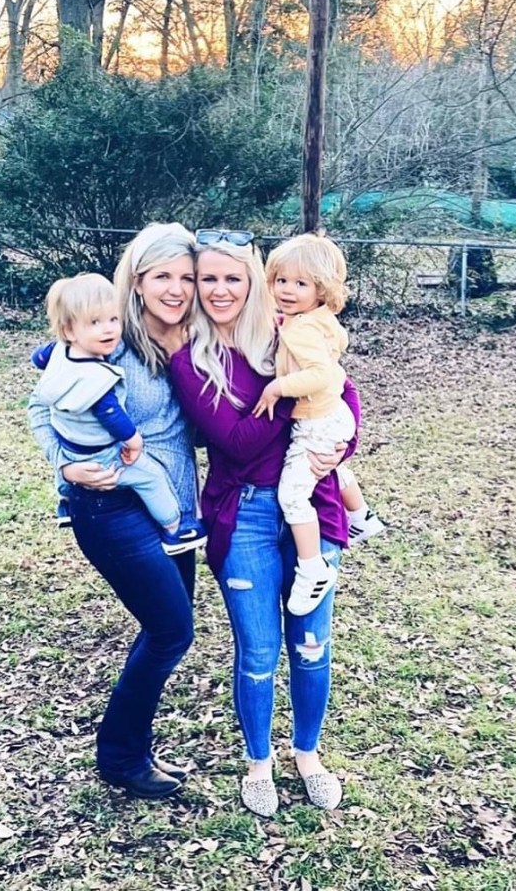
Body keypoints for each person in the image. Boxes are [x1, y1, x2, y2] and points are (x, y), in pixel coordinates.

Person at [170, 228, 361, 817]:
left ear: (252, 280)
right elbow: (236, 440)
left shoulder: (287, 330)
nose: (221, 289)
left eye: (233, 277)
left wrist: (339, 445)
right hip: (246, 512)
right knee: (258, 652)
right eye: (208, 279)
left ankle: (308, 755)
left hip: (313, 506)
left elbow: (344, 392)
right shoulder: (191, 360)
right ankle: (259, 762)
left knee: (311, 645)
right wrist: (297, 406)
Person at [27, 224, 200, 800]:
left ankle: (132, 747)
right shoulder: (108, 338)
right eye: (162, 276)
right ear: (138, 280)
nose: (176, 289)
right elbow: (40, 404)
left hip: (175, 505)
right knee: (171, 630)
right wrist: (64, 465)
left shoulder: (197, 338)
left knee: (165, 628)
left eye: (186, 277)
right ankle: (121, 756)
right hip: (111, 505)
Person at [30, 272, 205, 553]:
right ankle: (175, 526)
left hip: (75, 443)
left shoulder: (63, 351)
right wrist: (134, 441)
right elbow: (111, 414)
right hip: (107, 459)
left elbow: (39, 357)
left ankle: (64, 499)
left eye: (113, 320)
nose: (108, 329)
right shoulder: (99, 373)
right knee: (151, 479)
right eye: (95, 323)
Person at [253, 234, 382, 615]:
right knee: (332, 466)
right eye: (281, 280)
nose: (287, 290)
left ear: (321, 289)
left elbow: (319, 375)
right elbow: (336, 352)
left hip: (317, 419)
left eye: (300, 283)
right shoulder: (318, 319)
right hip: (334, 414)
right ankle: (361, 516)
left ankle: (312, 568)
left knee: (293, 495)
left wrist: (278, 386)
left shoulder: (301, 329)